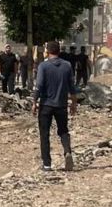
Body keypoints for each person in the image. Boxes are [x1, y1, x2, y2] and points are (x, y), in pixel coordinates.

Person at [32, 41, 78, 172]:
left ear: (47, 51)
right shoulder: (67, 66)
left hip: (46, 105)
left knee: (44, 134)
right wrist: (73, 103)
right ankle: (67, 151)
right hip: (61, 105)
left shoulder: (43, 66)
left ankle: (47, 164)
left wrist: (34, 102)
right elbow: (72, 87)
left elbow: (39, 86)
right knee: (63, 130)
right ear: (59, 51)